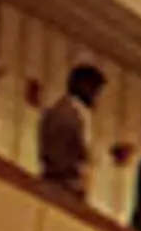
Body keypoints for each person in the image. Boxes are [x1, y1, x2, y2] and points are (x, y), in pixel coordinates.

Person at [33, 67, 103, 202]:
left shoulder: (70, 112)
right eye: (96, 92)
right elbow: (58, 155)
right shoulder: (65, 114)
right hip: (61, 188)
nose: (97, 98)